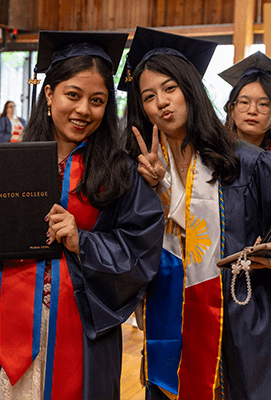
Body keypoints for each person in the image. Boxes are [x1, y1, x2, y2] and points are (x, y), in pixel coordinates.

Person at [0, 31, 164, 400]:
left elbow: (141, 253)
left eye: (97, 100)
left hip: (79, 332)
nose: (83, 110)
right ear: (49, 94)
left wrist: (84, 241)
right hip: (0, 333)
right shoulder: (6, 162)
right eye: (72, 95)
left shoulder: (120, 172)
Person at [119, 26, 271, 400]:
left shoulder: (247, 163)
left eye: (170, 89)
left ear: (190, 89)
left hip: (237, 316)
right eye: (149, 96)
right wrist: (151, 192)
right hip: (167, 313)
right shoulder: (139, 168)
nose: (162, 103)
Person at [220, 51, 271, 150]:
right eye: (244, 102)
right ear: (231, 110)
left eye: (263, 104)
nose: (252, 111)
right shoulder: (214, 153)